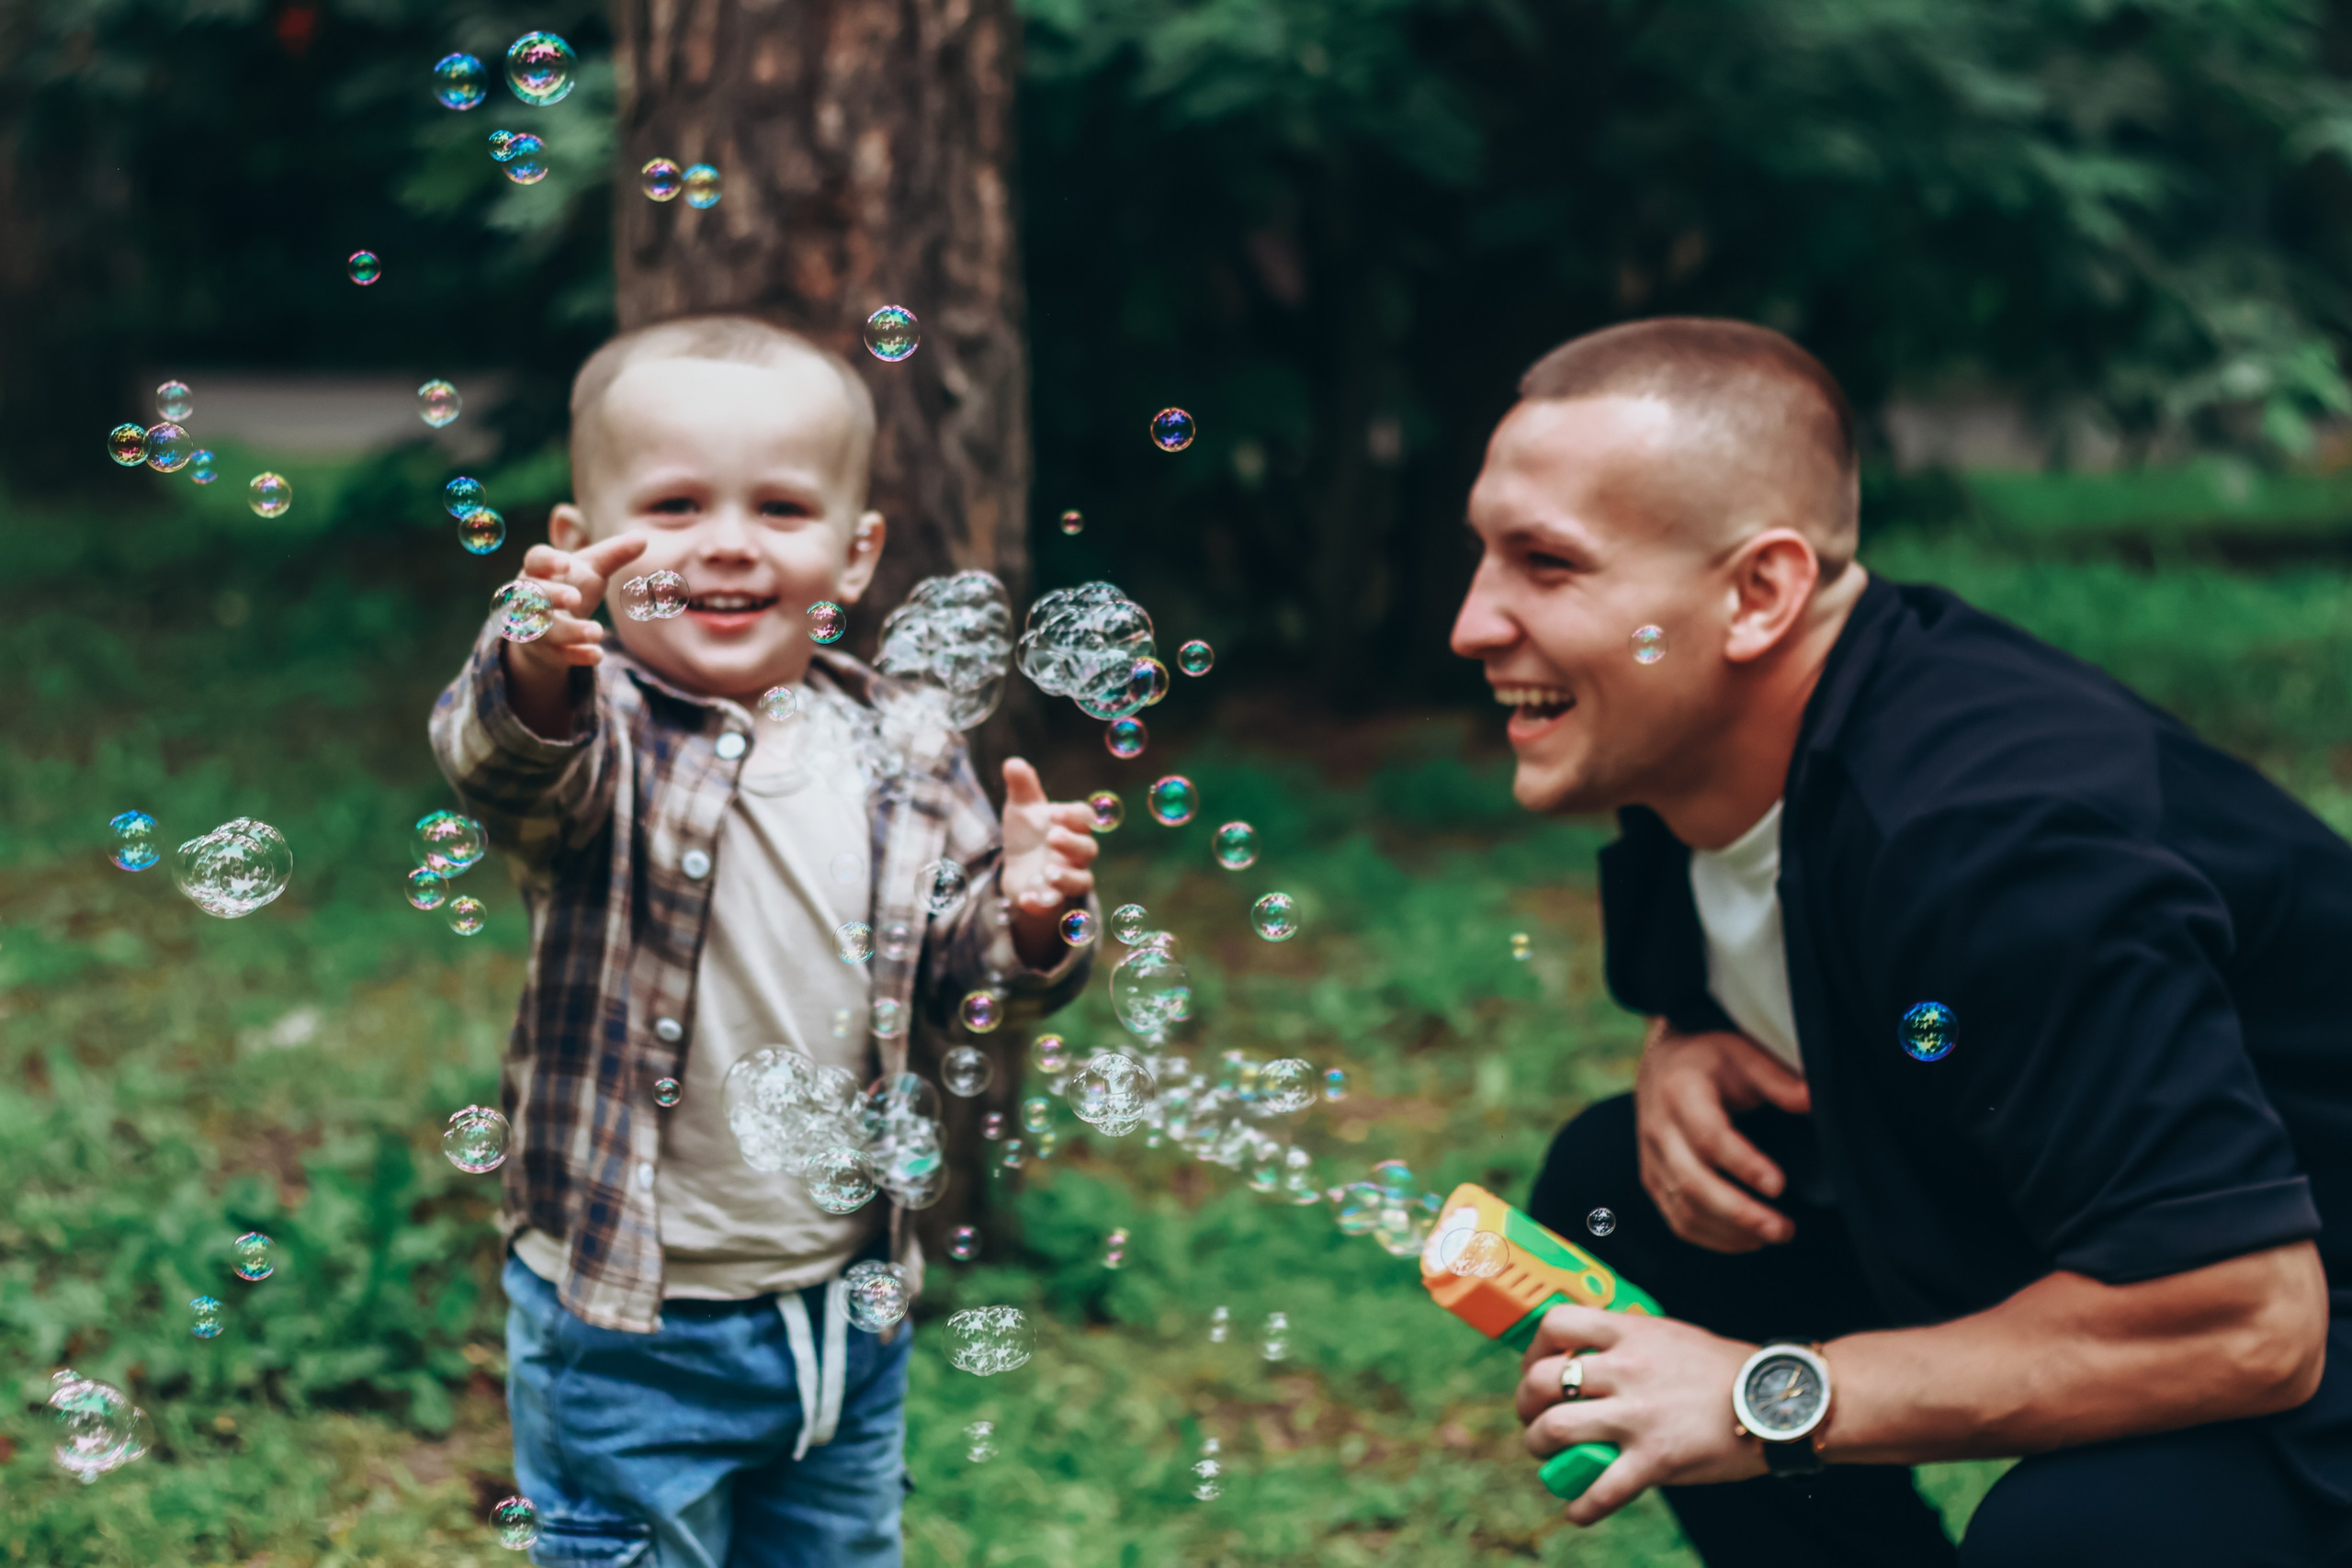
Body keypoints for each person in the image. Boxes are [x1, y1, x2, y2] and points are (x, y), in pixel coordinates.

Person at [1451, 318, 2352, 1566]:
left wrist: (1765, 1397)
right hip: (2083, 1217)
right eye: (1484, 557)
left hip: (2287, 1301)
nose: (1472, 624)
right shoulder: (1697, 745)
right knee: (1622, 1197)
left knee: (2084, 1541)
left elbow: (2254, 1322)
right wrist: (1684, 1033)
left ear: (1757, 594)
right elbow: (1760, 936)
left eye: (1548, 566)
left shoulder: (1997, 843)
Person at [429, 315, 1101, 1568]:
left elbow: (968, 978)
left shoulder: (902, 743)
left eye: (781, 511)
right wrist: (532, 657)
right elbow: (506, 767)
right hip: (628, 1321)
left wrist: (1027, 913)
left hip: (845, 1307)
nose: (728, 544)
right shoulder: (602, 730)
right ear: (579, 549)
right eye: (674, 505)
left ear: (855, 556)